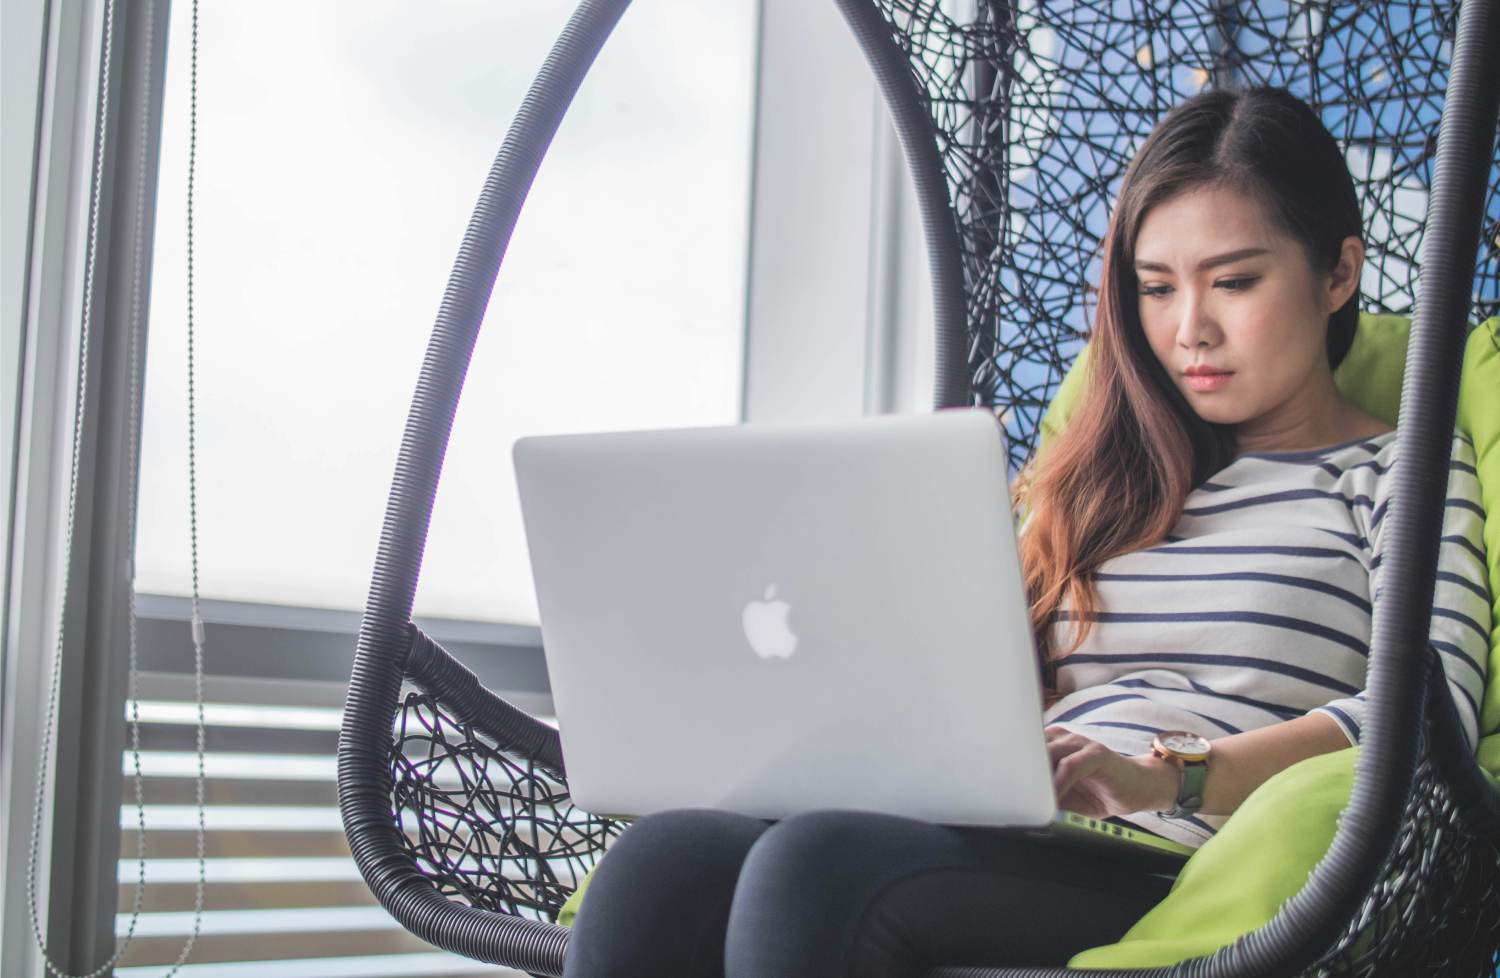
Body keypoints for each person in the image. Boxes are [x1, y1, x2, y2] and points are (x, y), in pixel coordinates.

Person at [559, 84, 1491, 978]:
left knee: (815, 876)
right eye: (1156, 289)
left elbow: (1430, 716)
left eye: (1234, 282)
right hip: (1022, 822)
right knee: (660, 866)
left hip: (1178, 852)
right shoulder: (1107, 474)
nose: (1189, 330)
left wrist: (1169, 776)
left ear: (1339, 272)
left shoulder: (1400, 473)